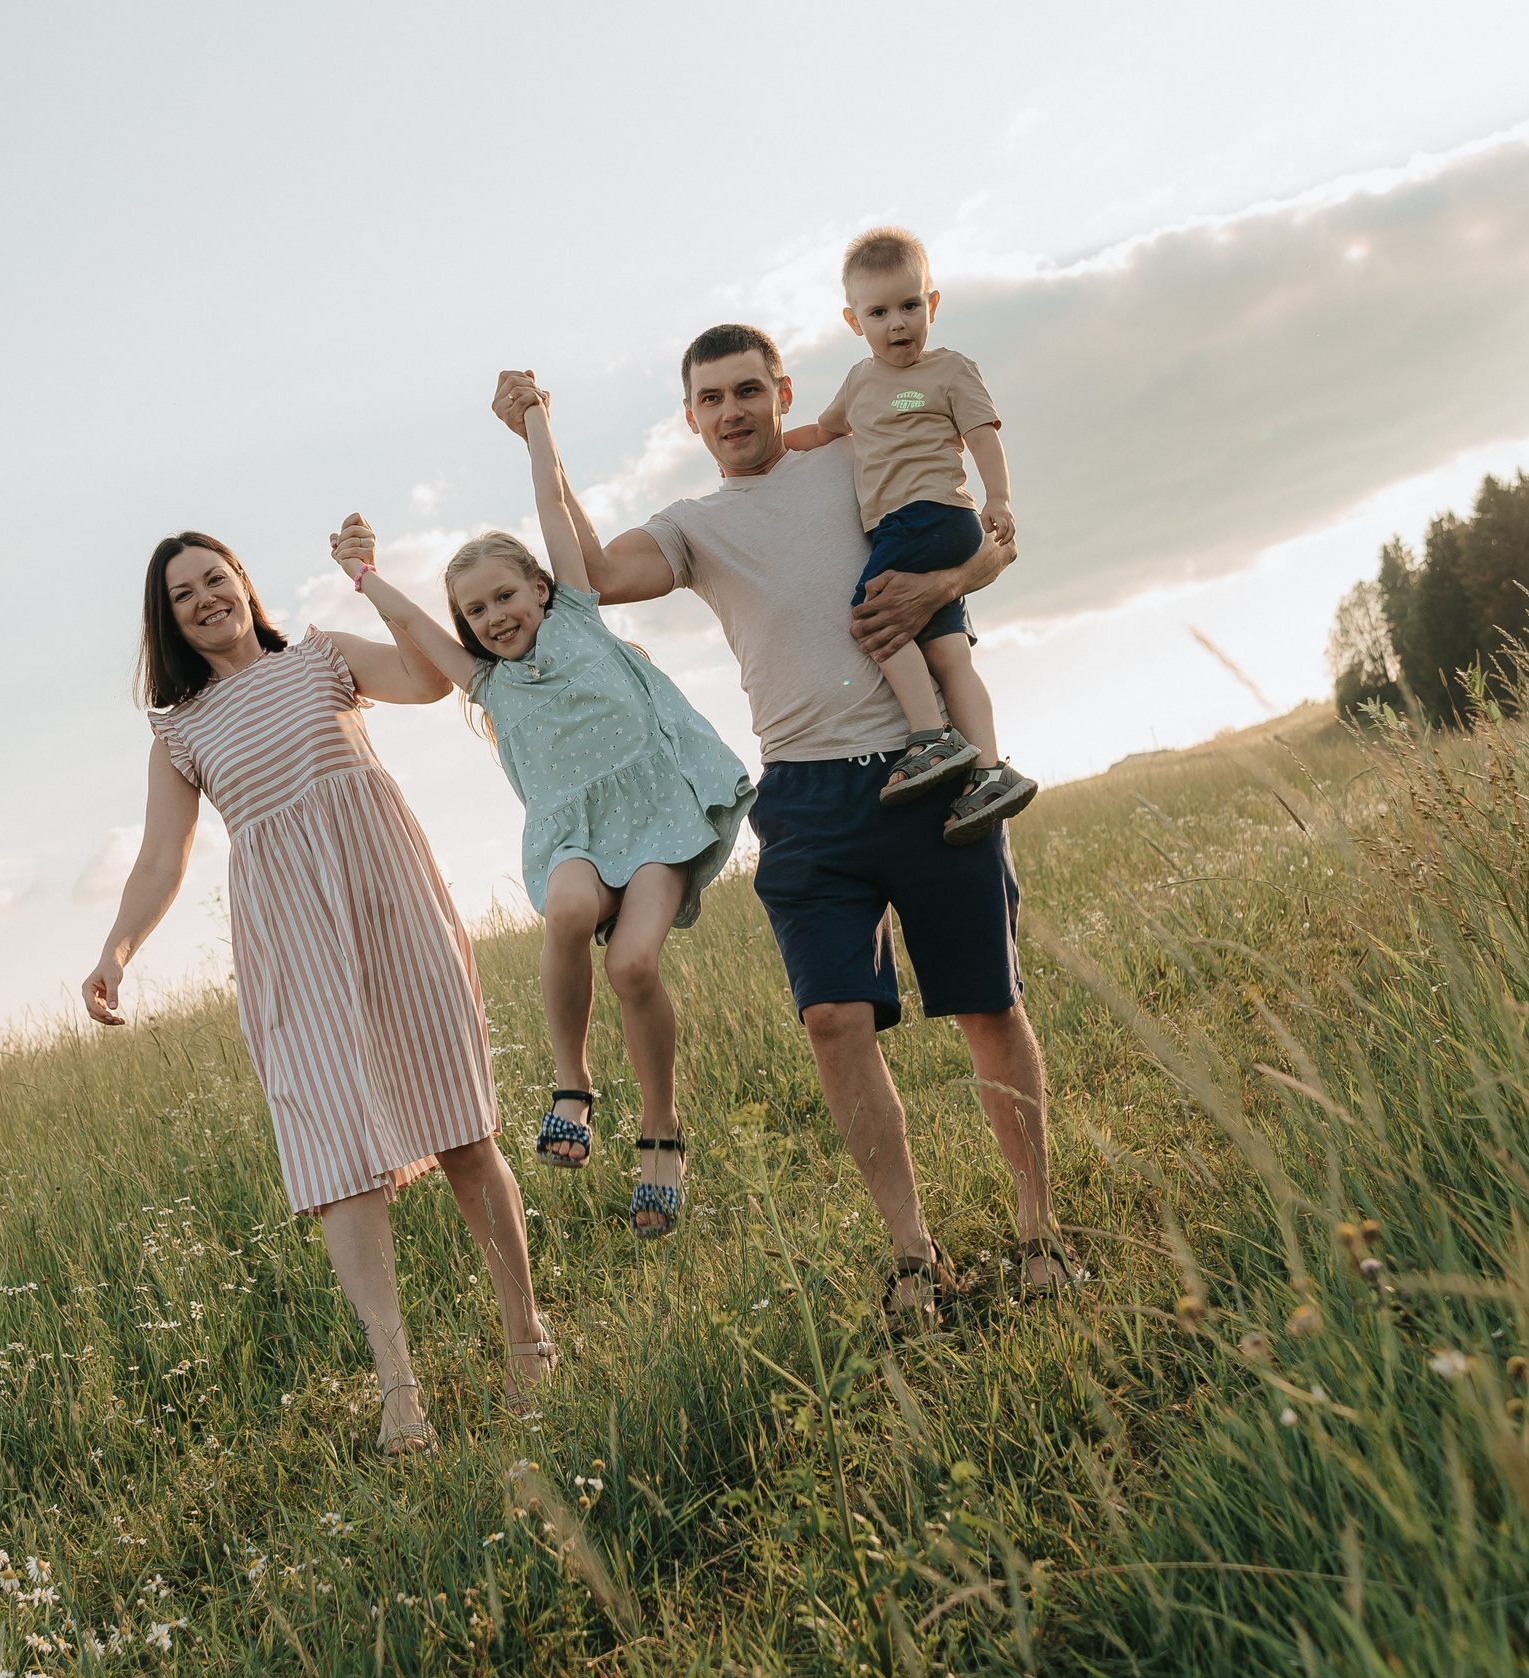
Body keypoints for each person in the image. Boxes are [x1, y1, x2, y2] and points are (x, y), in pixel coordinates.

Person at [492, 335, 1076, 1333]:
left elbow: (982, 535)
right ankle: (910, 1254)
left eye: (749, 390)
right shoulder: (694, 527)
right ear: (689, 417)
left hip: (929, 769)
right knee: (832, 1022)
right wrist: (539, 431)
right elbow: (582, 573)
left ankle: (1038, 1229)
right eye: (710, 398)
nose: (732, 411)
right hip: (806, 800)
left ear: (783, 393)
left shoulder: (852, 462)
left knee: (985, 1006)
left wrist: (940, 590)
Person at [82, 529, 551, 1456]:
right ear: (166, 618)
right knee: (339, 1157)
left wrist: (370, 584)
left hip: (388, 900)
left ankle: (528, 1344)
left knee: (462, 1126)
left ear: (244, 582)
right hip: (292, 939)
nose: (206, 599)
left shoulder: (323, 657)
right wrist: (116, 949)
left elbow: (431, 680)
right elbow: (158, 858)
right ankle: (400, 1393)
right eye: (184, 594)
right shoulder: (179, 729)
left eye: (217, 578)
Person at [342, 394, 753, 1239]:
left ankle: (661, 1132)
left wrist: (534, 421)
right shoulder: (486, 682)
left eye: (505, 596)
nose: (494, 618)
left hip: (656, 820)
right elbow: (414, 625)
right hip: (572, 835)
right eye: (478, 612)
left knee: (635, 965)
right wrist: (363, 572)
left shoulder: (577, 614)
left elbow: (551, 505)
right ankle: (573, 1079)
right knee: (566, 907)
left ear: (538, 585)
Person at [783, 225, 1037, 845]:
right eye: (879, 312)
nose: (897, 323)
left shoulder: (949, 370)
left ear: (933, 304)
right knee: (949, 653)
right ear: (854, 321)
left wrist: (999, 497)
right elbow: (823, 430)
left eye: (909, 306)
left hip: (929, 516)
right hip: (916, 529)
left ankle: (931, 738)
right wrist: (773, 448)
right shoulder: (859, 381)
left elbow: (982, 436)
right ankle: (989, 771)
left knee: (871, 616)